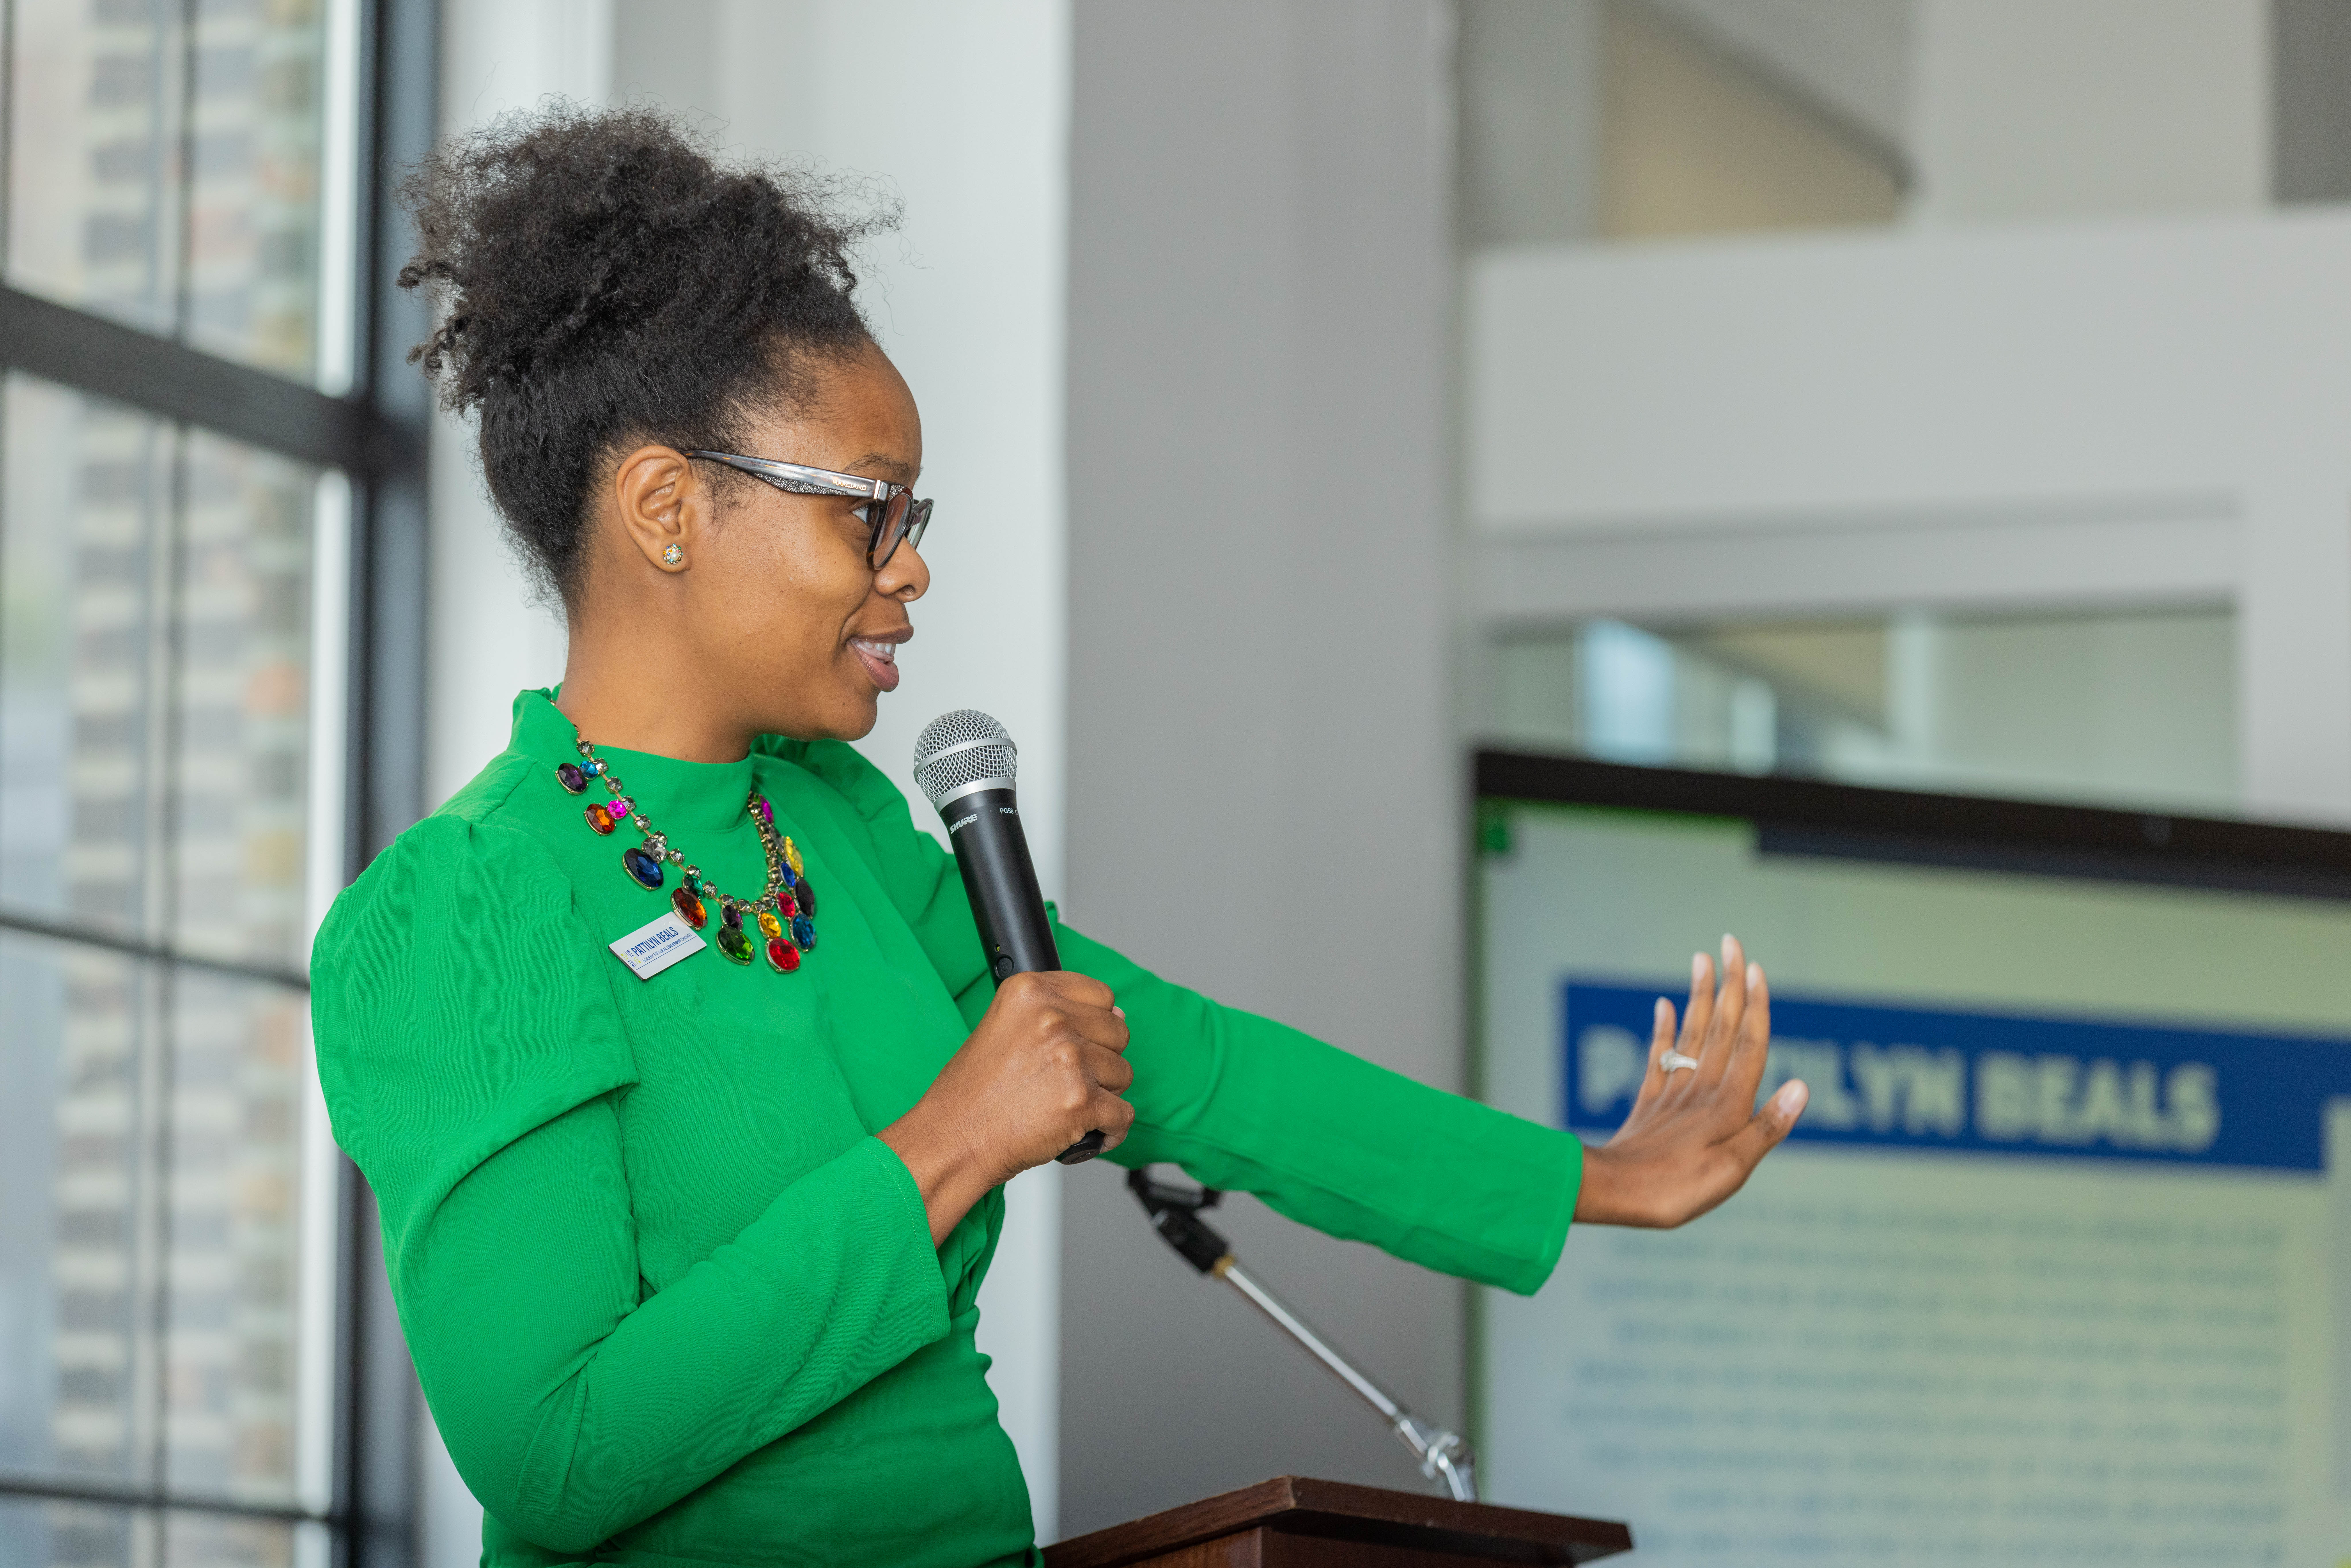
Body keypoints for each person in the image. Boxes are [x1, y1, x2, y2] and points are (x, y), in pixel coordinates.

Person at [309, 106, 1811, 1568]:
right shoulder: (469, 907)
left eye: (918, 513)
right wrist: (953, 1138)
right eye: (869, 514)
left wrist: (1591, 1181)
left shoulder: (841, 839)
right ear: (665, 508)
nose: (913, 571)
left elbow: (1198, 1064)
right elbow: (556, 1451)